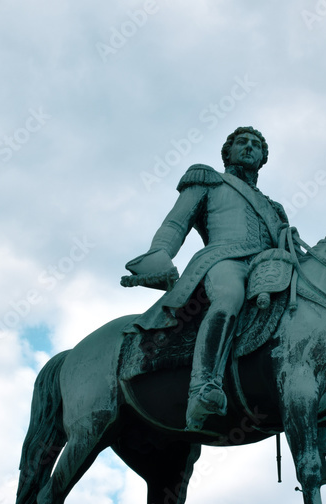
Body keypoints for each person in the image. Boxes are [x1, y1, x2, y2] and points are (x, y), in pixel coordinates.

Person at [123, 127, 290, 431]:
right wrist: (158, 255)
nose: (249, 147)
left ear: (263, 158)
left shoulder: (274, 209)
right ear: (228, 152)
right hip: (225, 259)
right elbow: (176, 223)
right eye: (242, 142)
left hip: (267, 268)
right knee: (229, 298)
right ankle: (203, 388)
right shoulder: (208, 179)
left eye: (256, 145)